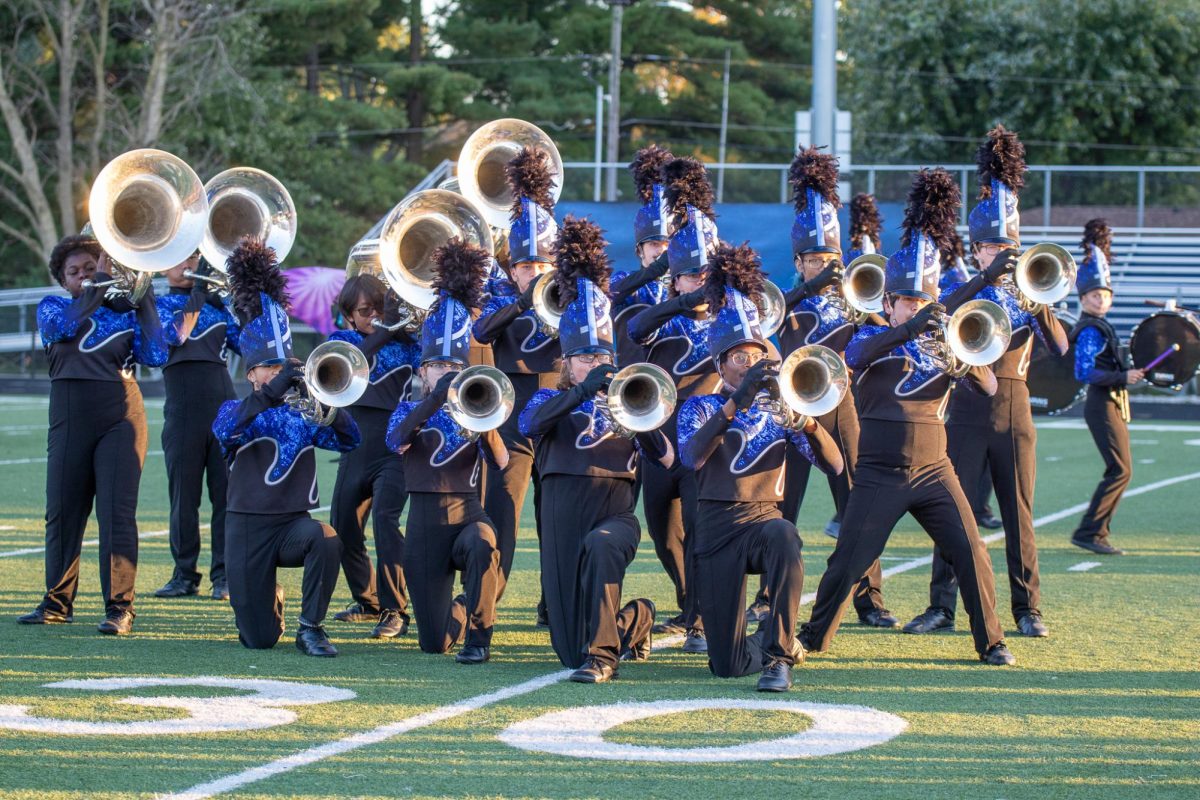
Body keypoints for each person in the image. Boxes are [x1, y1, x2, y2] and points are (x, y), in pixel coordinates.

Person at [799, 168, 1015, 667]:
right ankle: (813, 636)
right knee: (848, 561)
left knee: (972, 552)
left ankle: (992, 640)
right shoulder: (869, 337)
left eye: (923, 299)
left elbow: (987, 388)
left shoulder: (948, 341)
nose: (915, 306)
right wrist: (909, 327)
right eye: (906, 300)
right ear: (890, 302)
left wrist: (962, 355)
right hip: (879, 473)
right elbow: (852, 359)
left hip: (936, 470)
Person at [906, 126, 1067, 639]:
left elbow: (1062, 348)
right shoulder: (958, 284)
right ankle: (942, 607)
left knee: (1018, 514)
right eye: (988, 245)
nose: (997, 251)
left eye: (1006, 243)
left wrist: (1038, 303)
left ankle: (1027, 609)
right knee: (955, 513)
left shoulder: (1031, 288)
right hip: (967, 408)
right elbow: (938, 314)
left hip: (1015, 408)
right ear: (974, 248)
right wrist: (981, 282)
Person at [678, 242, 844, 692]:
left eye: (757, 356)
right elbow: (691, 457)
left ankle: (777, 657)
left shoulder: (782, 409)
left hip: (762, 520)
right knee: (726, 665)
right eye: (739, 357)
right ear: (720, 365)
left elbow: (834, 464)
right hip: (715, 527)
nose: (751, 363)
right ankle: (774, 645)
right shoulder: (699, 406)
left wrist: (807, 423)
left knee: (786, 535)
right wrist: (736, 402)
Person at [518, 217, 663, 683]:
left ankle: (605, 658)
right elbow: (528, 425)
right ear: (567, 361)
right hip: (562, 508)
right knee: (566, 647)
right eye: (585, 357)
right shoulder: (550, 399)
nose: (596, 364)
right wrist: (581, 394)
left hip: (615, 510)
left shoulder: (634, 397)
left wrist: (633, 416)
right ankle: (638, 618)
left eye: (603, 357)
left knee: (602, 550)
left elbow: (666, 457)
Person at [213, 240, 360, 657]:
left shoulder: (302, 413)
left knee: (327, 538)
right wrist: (270, 394)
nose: (278, 374)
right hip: (246, 528)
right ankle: (268, 599)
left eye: (282, 366)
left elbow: (351, 440)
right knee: (258, 640)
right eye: (269, 368)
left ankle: (311, 628)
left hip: (293, 525)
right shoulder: (235, 409)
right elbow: (225, 432)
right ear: (252, 372)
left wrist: (327, 405)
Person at [769, 146, 894, 630]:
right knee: (781, 505)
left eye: (830, 259)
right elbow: (764, 330)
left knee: (858, 504)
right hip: (793, 412)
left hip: (842, 409)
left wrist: (865, 307)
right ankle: (768, 593)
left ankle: (870, 599)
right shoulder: (783, 301)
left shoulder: (856, 302)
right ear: (799, 262)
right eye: (814, 260)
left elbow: (882, 338)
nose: (823, 267)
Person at [18, 234, 167, 634]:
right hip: (70, 419)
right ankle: (57, 602)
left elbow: (157, 355)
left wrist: (144, 294)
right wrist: (99, 285)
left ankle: (120, 608)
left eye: (91, 267)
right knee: (63, 513)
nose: (84, 275)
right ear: (62, 280)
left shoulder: (125, 313)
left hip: (122, 418)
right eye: (75, 272)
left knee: (117, 515)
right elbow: (65, 326)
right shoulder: (53, 307)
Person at [389, 238, 507, 663]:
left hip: (468, 515)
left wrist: (485, 423)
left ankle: (480, 638)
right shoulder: (408, 408)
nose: (446, 374)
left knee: (482, 545)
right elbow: (395, 440)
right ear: (423, 370)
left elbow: (502, 461)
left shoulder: (477, 407)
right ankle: (459, 610)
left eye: (453, 368)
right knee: (433, 643)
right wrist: (434, 399)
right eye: (438, 366)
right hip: (422, 523)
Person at [626, 156, 722, 653]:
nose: (696, 282)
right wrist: (680, 299)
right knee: (666, 537)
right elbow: (634, 335)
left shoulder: (732, 316)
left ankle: (704, 618)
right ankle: (689, 605)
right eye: (688, 276)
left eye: (702, 274)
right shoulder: (659, 313)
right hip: (661, 438)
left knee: (705, 532)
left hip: (708, 441)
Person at [472, 146, 560, 621]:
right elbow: (482, 331)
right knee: (501, 509)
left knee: (555, 515)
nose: (532, 272)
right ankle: (487, 603)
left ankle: (555, 599)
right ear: (511, 266)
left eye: (539, 265)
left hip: (558, 413)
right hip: (510, 413)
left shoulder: (570, 291)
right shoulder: (500, 293)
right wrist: (525, 300)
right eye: (524, 265)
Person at [326, 274, 421, 638]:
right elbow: (350, 359)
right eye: (366, 311)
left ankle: (395, 609)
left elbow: (432, 357)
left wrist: (405, 322)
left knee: (385, 521)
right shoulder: (343, 340)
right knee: (344, 525)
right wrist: (389, 326)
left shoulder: (406, 346)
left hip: (393, 449)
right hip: (354, 446)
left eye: (380, 309)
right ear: (349, 316)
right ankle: (367, 601)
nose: (375, 316)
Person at [153, 253, 240, 601]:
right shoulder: (158, 305)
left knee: (227, 497)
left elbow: (251, 343)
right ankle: (184, 575)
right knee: (183, 499)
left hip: (223, 408)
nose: (188, 264)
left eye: (195, 257)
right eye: (180, 258)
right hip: (182, 410)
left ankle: (225, 575)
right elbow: (177, 334)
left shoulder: (218, 309)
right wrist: (201, 292)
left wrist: (244, 299)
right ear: (162, 266)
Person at [1069, 219, 1136, 556]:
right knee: (1120, 469)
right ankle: (1089, 531)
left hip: (1111, 402)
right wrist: (1123, 377)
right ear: (1083, 297)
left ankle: (1095, 531)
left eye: (1105, 294)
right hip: (1101, 403)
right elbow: (1084, 372)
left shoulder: (1101, 325)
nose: (1101, 299)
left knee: (1120, 469)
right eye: (1095, 294)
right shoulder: (1090, 329)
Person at [609, 145, 672, 368]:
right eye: (654, 244)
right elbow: (607, 293)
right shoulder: (625, 280)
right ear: (639, 250)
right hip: (630, 387)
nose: (662, 251)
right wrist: (652, 272)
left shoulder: (687, 287)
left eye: (668, 245)